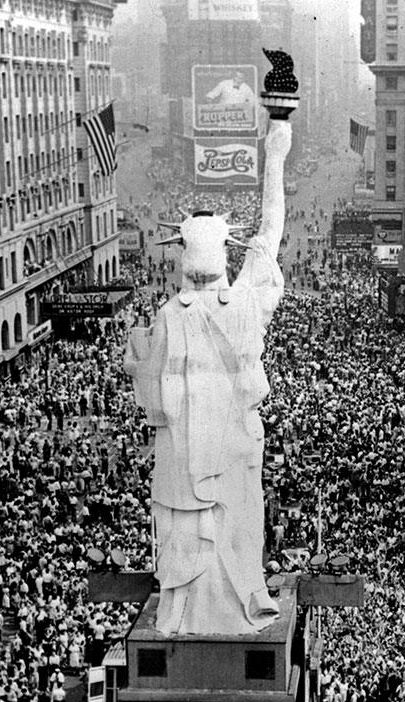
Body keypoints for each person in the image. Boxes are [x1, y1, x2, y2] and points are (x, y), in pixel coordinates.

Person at [125, 118, 293, 635]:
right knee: (237, 531)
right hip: (235, 450)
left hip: (183, 461)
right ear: (224, 253)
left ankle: (188, 610)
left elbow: (150, 398)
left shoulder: (167, 317)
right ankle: (233, 605)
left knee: (197, 533)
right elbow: (269, 236)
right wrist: (276, 150)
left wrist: (140, 351)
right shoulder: (241, 303)